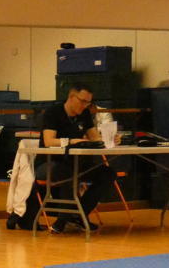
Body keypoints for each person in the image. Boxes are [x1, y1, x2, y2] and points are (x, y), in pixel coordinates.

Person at [36, 84, 117, 233]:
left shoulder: (84, 114)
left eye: (88, 103)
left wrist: (110, 139)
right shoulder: (53, 112)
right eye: (83, 101)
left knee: (107, 173)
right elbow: (48, 141)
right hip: (49, 164)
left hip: (75, 163)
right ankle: (62, 220)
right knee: (67, 172)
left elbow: (94, 138)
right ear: (72, 97)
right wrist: (71, 141)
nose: (85, 105)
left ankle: (79, 214)